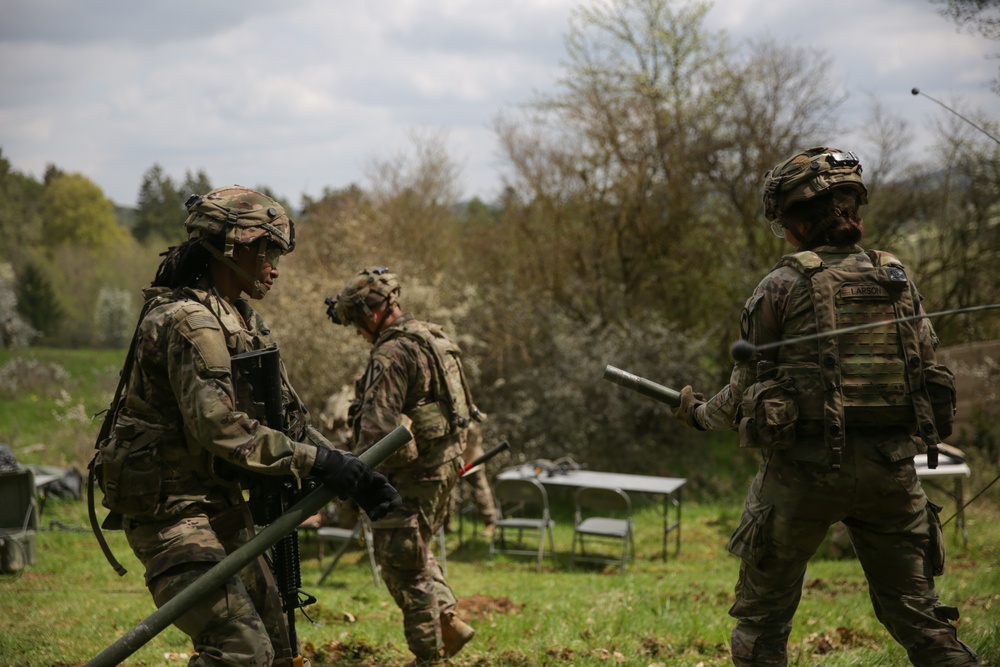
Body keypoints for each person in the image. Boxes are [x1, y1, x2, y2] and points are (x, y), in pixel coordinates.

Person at [671, 148, 980, 667]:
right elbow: (926, 366)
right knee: (922, 620)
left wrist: (697, 413)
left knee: (762, 623)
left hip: (801, 475)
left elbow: (743, 389)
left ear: (794, 222)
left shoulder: (781, 286)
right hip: (892, 471)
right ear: (853, 208)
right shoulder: (897, 279)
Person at [93, 186, 400, 666]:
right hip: (171, 513)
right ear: (231, 249)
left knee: (279, 649)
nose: (274, 265)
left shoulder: (241, 320)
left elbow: (288, 421)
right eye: (267, 251)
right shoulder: (189, 321)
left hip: (219, 506)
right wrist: (321, 462)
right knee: (242, 652)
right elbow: (220, 428)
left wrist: (354, 474)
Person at [325, 266, 480, 666]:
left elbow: (376, 432)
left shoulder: (391, 353)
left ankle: (429, 657)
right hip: (444, 467)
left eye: (357, 323)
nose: (359, 333)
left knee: (402, 566)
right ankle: (449, 625)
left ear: (371, 314)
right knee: (418, 552)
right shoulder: (432, 335)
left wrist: (351, 479)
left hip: (411, 476)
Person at [447, 420, 497, 538]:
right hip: (453, 461)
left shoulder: (470, 425)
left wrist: (466, 463)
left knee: (481, 491)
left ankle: (490, 523)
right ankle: (445, 523)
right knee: (448, 493)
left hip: (473, 461)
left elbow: (472, 443)